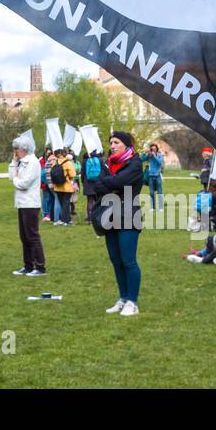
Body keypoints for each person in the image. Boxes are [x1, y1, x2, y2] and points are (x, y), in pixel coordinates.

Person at [89, 131, 143, 316]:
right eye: (111, 142)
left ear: (126, 145)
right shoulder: (109, 163)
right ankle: (123, 299)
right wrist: (110, 184)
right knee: (116, 261)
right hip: (109, 215)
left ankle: (132, 302)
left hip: (128, 216)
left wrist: (109, 183)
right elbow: (96, 184)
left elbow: (120, 181)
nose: (112, 145)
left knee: (128, 261)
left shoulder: (135, 163)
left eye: (116, 142)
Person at [8, 136, 45, 276]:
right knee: (24, 236)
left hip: (30, 203)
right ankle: (28, 265)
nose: (15, 152)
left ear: (24, 149)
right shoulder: (20, 162)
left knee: (32, 235)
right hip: (22, 203)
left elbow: (24, 184)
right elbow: (12, 177)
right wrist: (13, 162)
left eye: (16, 149)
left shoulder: (32, 162)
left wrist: (16, 179)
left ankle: (40, 266)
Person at [50, 147, 77, 225]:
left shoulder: (55, 162)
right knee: (66, 203)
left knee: (62, 203)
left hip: (57, 187)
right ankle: (65, 220)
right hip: (66, 186)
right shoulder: (68, 163)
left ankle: (67, 219)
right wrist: (69, 178)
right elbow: (73, 174)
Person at [143, 143, 164, 211]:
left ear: (157, 149)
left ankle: (161, 207)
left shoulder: (159, 155)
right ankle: (152, 207)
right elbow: (141, 160)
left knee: (160, 192)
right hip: (150, 176)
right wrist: (145, 153)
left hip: (157, 175)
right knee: (151, 192)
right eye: (152, 149)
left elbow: (160, 162)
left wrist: (154, 156)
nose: (153, 150)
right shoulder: (149, 156)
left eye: (154, 149)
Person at [40, 147, 55, 222]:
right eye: (47, 153)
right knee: (46, 198)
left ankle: (50, 213)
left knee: (51, 198)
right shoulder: (42, 160)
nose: (48, 154)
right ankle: (46, 213)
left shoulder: (50, 161)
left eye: (49, 153)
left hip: (49, 182)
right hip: (44, 183)